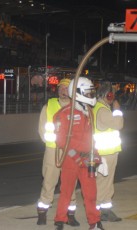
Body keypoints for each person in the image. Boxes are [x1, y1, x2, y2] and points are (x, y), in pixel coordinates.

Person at [54, 77, 104, 230]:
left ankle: (94, 222)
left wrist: (97, 157)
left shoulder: (89, 112)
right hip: (71, 159)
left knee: (91, 194)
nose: (90, 96)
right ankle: (60, 221)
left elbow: (91, 137)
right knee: (66, 192)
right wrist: (76, 157)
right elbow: (61, 140)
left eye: (91, 93)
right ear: (78, 93)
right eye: (87, 93)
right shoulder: (63, 114)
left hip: (87, 159)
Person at [36, 78, 79, 226]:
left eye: (67, 88)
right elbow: (42, 129)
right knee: (49, 181)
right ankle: (42, 213)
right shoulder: (49, 106)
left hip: (71, 152)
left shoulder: (77, 107)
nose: (63, 90)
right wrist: (52, 143)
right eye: (61, 87)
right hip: (53, 150)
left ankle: (70, 214)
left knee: (70, 184)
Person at [93, 82, 124, 222]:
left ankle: (105, 211)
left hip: (106, 153)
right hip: (104, 154)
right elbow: (119, 124)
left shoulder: (99, 108)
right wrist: (117, 110)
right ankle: (97, 211)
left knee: (107, 183)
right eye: (112, 94)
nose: (113, 98)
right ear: (108, 95)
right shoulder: (102, 110)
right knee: (102, 183)